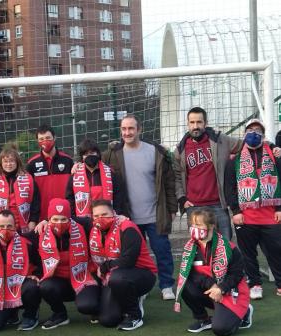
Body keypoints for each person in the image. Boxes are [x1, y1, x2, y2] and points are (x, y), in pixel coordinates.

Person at [103, 114, 177, 300]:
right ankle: (141, 287)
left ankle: (166, 285)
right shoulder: (112, 154)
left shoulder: (156, 152)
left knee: (163, 251)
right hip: (128, 218)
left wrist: (172, 207)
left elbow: (169, 182)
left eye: (131, 128)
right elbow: (93, 162)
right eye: (124, 129)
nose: (127, 132)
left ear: (139, 129)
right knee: (134, 255)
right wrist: (77, 165)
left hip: (155, 214)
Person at [224, 118, 281, 300]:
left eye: (257, 130)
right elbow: (230, 187)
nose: (253, 134)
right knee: (248, 253)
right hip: (246, 216)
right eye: (249, 130)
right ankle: (255, 283)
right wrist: (236, 211)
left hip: (271, 215)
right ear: (244, 134)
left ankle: (280, 283)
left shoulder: (274, 155)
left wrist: (280, 208)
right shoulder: (234, 160)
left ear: (263, 135)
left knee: (276, 250)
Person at [175, 208, 253, 336]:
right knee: (184, 282)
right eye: (193, 225)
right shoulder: (190, 247)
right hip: (209, 289)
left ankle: (244, 311)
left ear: (211, 226)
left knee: (221, 329)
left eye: (198, 225)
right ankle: (203, 319)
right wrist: (211, 284)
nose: (194, 228)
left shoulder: (229, 248)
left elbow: (237, 275)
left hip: (230, 292)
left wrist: (220, 288)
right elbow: (191, 274)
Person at [89, 200, 157, 330]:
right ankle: (123, 299)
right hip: (113, 275)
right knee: (108, 320)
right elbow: (71, 220)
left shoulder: (127, 227)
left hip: (141, 274)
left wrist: (104, 266)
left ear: (114, 213)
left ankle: (135, 316)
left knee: (118, 278)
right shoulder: (93, 228)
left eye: (104, 214)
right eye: (96, 216)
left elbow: (128, 261)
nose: (100, 219)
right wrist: (46, 221)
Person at [173, 106, 239, 240]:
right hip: (194, 206)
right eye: (192, 122)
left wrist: (271, 147)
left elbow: (244, 145)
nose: (195, 126)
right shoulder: (180, 149)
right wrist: (182, 198)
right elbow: (177, 177)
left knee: (225, 245)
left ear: (206, 123)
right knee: (199, 248)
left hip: (218, 204)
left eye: (199, 122)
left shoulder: (221, 140)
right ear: (188, 124)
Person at [38, 198, 100, 329]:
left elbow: (101, 221)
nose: (59, 223)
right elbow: (20, 237)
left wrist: (119, 218)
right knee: (45, 286)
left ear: (69, 218)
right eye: (55, 219)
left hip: (83, 278)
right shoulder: (41, 231)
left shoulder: (83, 226)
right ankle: (60, 314)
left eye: (63, 219)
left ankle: (97, 306)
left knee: (88, 306)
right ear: (49, 219)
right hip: (59, 282)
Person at [0, 210, 42, 332]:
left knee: (32, 287)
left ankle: (31, 315)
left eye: (9, 226)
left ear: (15, 227)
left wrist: (36, 275)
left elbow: (40, 263)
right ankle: (11, 313)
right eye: (1, 226)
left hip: (20, 288)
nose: (5, 230)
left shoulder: (27, 243)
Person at [0, 144, 40, 233]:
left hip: (22, 227)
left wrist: (33, 221)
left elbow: (36, 202)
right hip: (0, 227)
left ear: (17, 162)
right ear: (1, 163)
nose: (8, 164)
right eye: (5, 161)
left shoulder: (29, 179)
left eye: (11, 161)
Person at [66, 138, 124, 217]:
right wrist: (73, 217)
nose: (89, 156)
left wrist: (116, 214)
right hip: (83, 221)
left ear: (98, 154)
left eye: (92, 152)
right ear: (82, 157)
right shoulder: (75, 175)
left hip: (106, 219)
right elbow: (70, 198)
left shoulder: (110, 173)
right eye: (86, 154)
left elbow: (118, 197)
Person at [26, 124, 73, 221]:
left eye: (48, 138)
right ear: (37, 141)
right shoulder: (32, 164)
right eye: (41, 139)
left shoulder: (68, 160)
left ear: (54, 138)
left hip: (63, 216)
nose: (45, 141)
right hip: (42, 217)